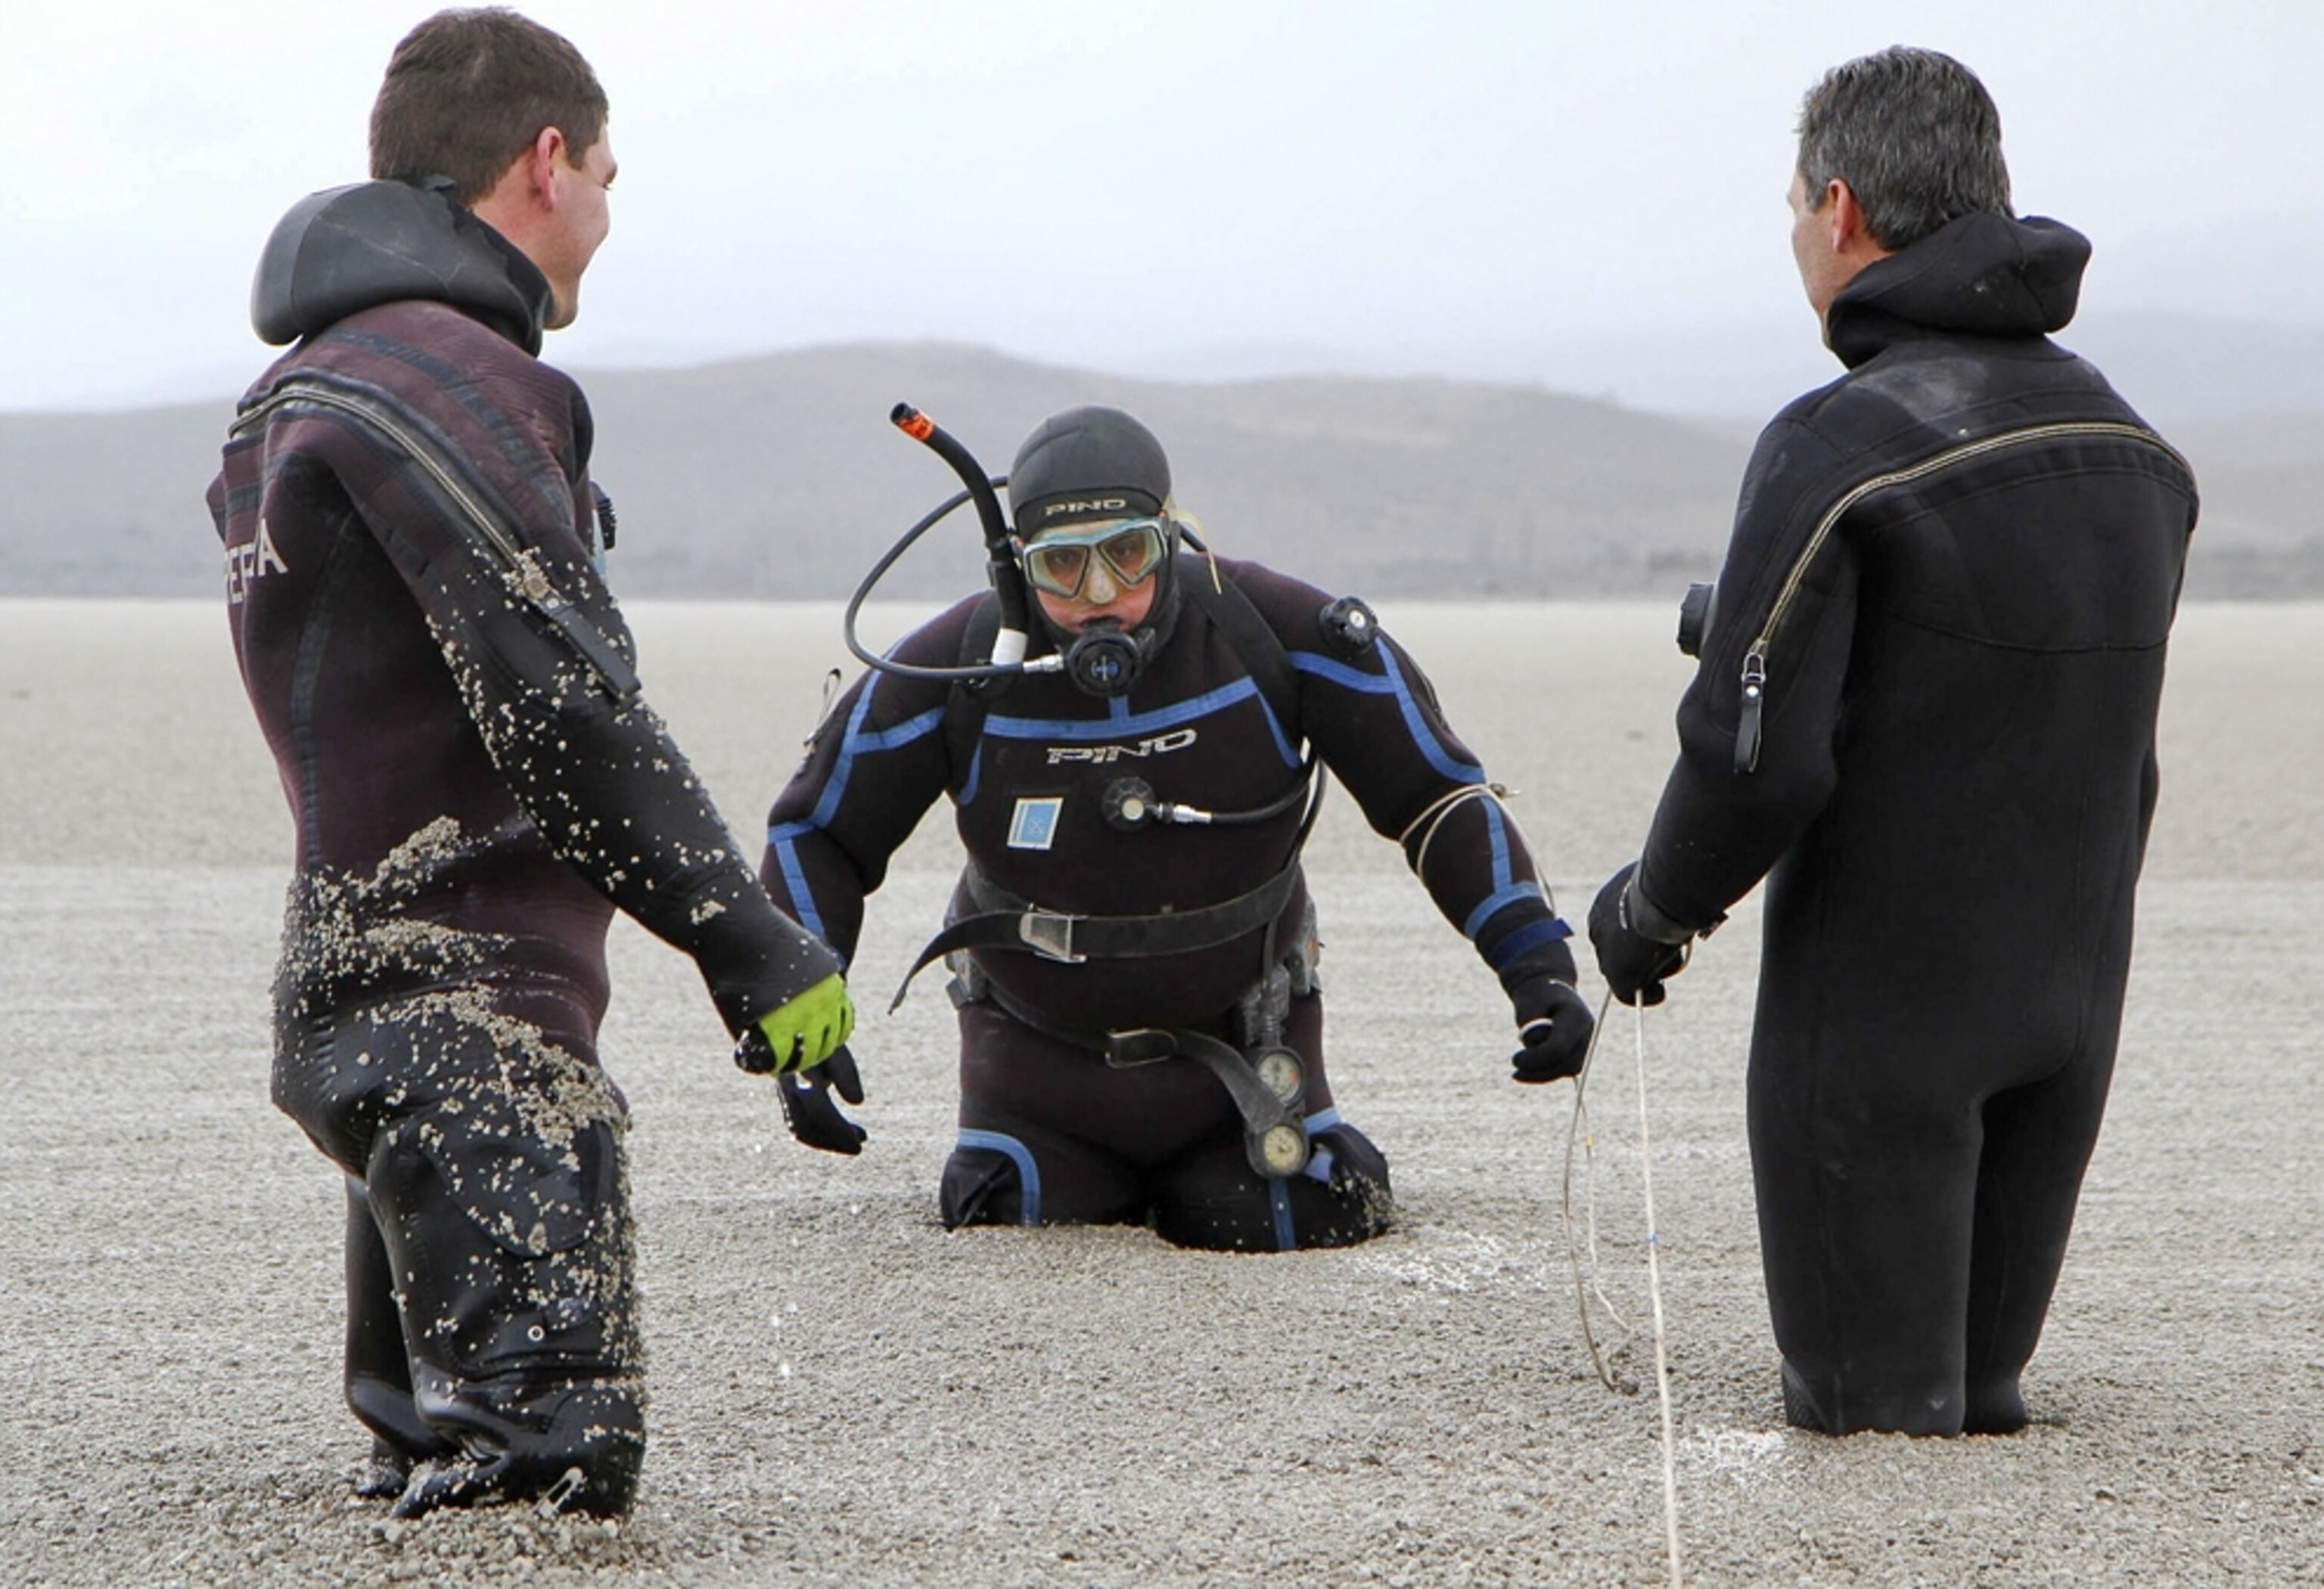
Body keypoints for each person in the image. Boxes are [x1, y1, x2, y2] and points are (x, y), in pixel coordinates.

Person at [206, 8, 853, 1518]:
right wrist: (749, 940)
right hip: (471, 1040)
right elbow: (560, 700)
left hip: (360, 1005)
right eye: (609, 177)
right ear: (544, 162)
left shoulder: (292, 395)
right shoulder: (451, 375)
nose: (608, 219)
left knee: (431, 1468)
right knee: (546, 1481)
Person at [1588, 47, 2197, 1436]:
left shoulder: (1834, 444)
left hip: (1879, 1021)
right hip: (2070, 994)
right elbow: (2033, 706)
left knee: (1868, 1416)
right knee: (1976, 1401)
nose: (1794, 237)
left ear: (1843, 210)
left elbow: (1758, 758)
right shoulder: (2132, 445)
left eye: (1793, 207)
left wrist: (1652, 910)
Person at [758, 403, 1594, 1252]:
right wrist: (792, 1016)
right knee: (1009, 1222)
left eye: (1127, 556)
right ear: (1016, 564)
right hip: (1036, 1088)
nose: (1099, 600)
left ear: (1171, 535)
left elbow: (1438, 797)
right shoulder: (954, 669)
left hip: (1248, 1061)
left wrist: (1538, 970)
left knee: (1311, 1212)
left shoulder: (1274, 632)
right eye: (1063, 568)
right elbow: (817, 834)